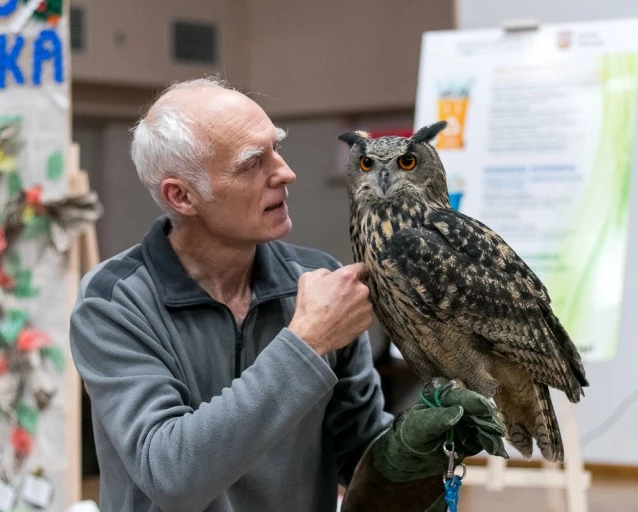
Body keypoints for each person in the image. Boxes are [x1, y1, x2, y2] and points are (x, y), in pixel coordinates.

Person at [69, 77, 505, 512]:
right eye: (251, 163)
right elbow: (172, 475)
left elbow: (363, 467)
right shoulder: (113, 302)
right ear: (181, 196)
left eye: (275, 148)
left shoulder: (320, 282)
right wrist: (307, 341)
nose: (285, 172)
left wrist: (415, 451)